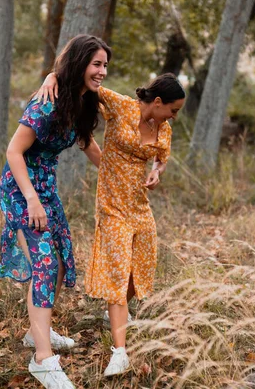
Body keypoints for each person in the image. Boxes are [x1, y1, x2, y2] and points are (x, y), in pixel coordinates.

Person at [38, 72, 185, 376]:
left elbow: (161, 157)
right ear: (157, 102)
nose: (174, 116)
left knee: (138, 270)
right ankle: (120, 352)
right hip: (112, 204)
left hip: (139, 207)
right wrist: (53, 77)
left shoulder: (164, 127)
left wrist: (157, 171)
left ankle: (114, 313)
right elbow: (85, 82)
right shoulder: (121, 106)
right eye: (173, 109)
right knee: (119, 271)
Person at [0, 34, 110, 389]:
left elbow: (87, 142)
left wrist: (115, 176)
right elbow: (14, 151)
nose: (103, 71)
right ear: (79, 64)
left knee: (59, 260)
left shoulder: (80, 100)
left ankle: (36, 332)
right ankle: (42, 359)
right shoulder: (47, 103)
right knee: (44, 262)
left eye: (105, 64)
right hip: (21, 189)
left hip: (46, 188)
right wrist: (30, 199)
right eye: (96, 64)